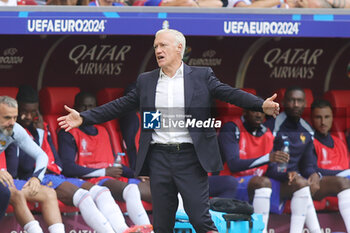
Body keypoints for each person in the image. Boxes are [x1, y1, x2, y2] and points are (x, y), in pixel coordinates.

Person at [57, 28, 279, 233]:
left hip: (191, 157)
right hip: (159, 157)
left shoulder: (202, 76)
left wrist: (260, 104)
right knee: (163, 223)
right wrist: (84, 117)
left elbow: (230, 93)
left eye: (163, 45)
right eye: (155, 47)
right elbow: (120, 105)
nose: (158, 50)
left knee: (200, 219)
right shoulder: (147, 81)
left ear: (179, 48)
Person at [6, 85, 151, 233]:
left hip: (56, 176)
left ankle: (124, 229)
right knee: (84, 196)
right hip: (35, 179)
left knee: (103, 193)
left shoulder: (41, 128)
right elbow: (21, 168)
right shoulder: (14, 132)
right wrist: (39, 136)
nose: (29, 117)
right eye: (24, 112)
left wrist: (41, 134)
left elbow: (58, 164)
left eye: (33, 112)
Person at [58, 91, 153, 227]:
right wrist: (103, 172)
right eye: (83, 107)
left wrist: (137, 173)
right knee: (131, 190)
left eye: (91, 106)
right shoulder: (68, 132)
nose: (86, 110)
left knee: (160, 188)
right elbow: (67, 167)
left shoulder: (103, 130)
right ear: (75, 107)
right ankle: (145, 229)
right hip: (92, 180)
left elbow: (114, 162)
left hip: (113, 176)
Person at [265, 86, 350, 233]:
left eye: (299, 101)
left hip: (300, 179)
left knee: (342, 183)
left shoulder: (307, 129)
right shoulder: (272, 126)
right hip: (278, 179)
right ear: (284, 102)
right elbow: (266, 163)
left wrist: (314, 174)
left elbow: (308, 164)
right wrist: (288, 174)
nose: (296, 104)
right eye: (292, 100)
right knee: (301, 184)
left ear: (305, 104)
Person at [0, 95, 65, 233]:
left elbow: (41, 155)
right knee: (9, 193)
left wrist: (37, 177)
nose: (12, 122)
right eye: (7, 118)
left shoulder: (14, 129)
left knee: (47, 193)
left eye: (15, 117)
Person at [218, 109, 289, 233]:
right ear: (245, 111)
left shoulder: (267, 134)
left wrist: (288, 175)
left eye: (262, 112)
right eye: (254, 111)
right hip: (231, 182)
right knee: (263, 183)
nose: (258, 115)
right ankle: (261, 231)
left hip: (258, 182)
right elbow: (233, 164)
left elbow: (269, 170)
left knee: (299, 184)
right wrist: (267, 158)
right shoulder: (231, 128)